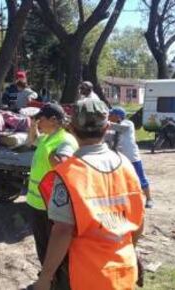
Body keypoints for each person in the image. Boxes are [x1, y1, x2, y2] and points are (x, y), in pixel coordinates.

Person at [33, 98, 145, 290]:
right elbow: (139, 221)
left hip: (84, 275)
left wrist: (46, 276)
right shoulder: (126, 165)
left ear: (71, 129)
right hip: (122, 269)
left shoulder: (69, 173)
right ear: (108, 126)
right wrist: (131, 252)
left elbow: (62, 231)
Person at [26, 103, 78, 288]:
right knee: (42, 248)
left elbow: (65, 166)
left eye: (41, 119)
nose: (38, 121)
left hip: (50, 207)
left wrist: (54, 158)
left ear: (54, 120)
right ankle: (48, 280)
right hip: (35, 203)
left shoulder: (66, 140)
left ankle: (59, 283)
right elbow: (31, 141)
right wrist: (33, 127)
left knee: (55, 251)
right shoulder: (48, 138)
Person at [109, 106, 154, 208]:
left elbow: (118, 127)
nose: (109, 116)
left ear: (117, 116)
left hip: (132, 157)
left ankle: (149, 199)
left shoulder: (128, 124)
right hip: (119, 158)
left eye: (111, 115)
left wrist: (103, 124)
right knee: (119, 179)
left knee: (140, 178)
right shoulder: (112, 128)